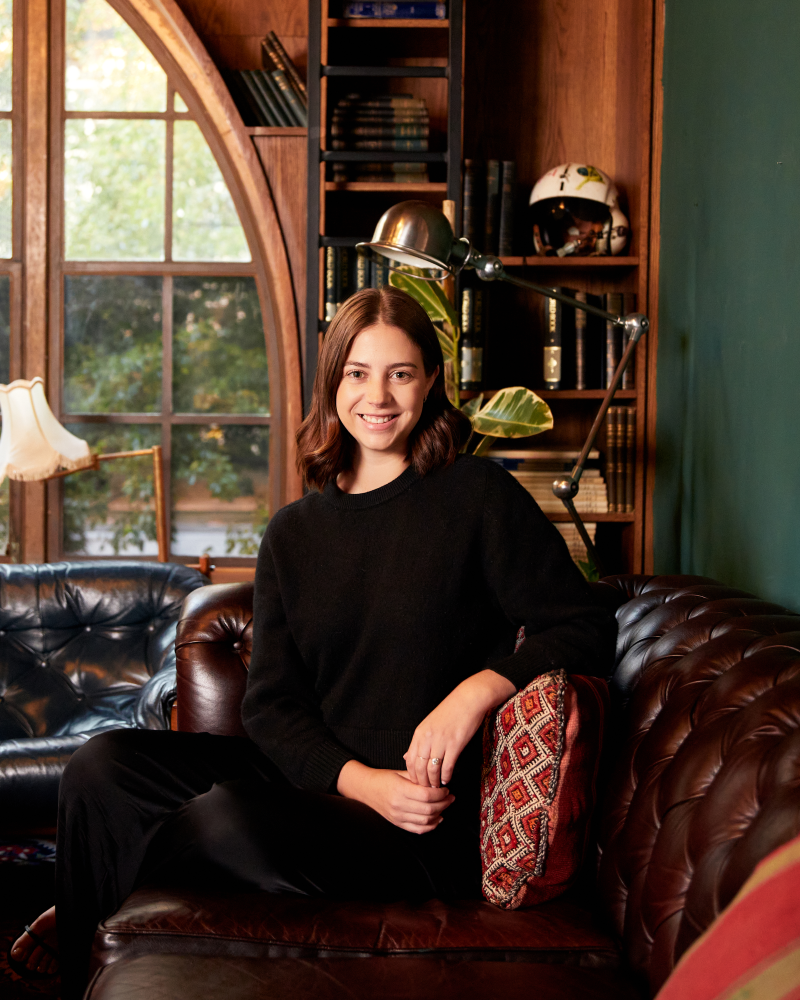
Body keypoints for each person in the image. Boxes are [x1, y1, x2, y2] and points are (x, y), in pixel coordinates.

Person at [9, 286, 616, 998]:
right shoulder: (295, 533)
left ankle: (86, 906)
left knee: (225, 820)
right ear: (332, 385)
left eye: (401, 373)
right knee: (101, 766)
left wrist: (476, 692)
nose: (378, 397)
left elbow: (586, 622)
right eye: (357, 373)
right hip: (329, 783)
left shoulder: (476, 497)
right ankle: (81, 965)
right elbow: (271, 708)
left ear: (430, 382)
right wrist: (360, 781)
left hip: (419, 819)